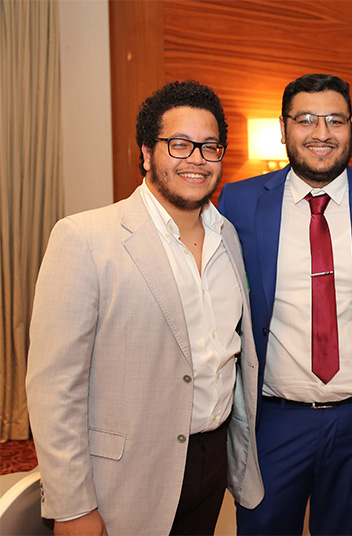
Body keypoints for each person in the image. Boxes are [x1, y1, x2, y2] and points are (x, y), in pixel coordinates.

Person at [26, 80, 263, 535]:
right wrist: (72, 506)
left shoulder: (227, 237)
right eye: (179, 144)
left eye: (209, 147)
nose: (196, 158)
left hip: (212, 462)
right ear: (146, 153)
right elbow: (54, 387)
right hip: (125, 472)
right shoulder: (85, 238)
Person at [217, 73, 352, 535]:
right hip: (273, 420)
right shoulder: (240, 200)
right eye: (306, 119)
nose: (321, 133)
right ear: (284, 127)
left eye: (335, 120)